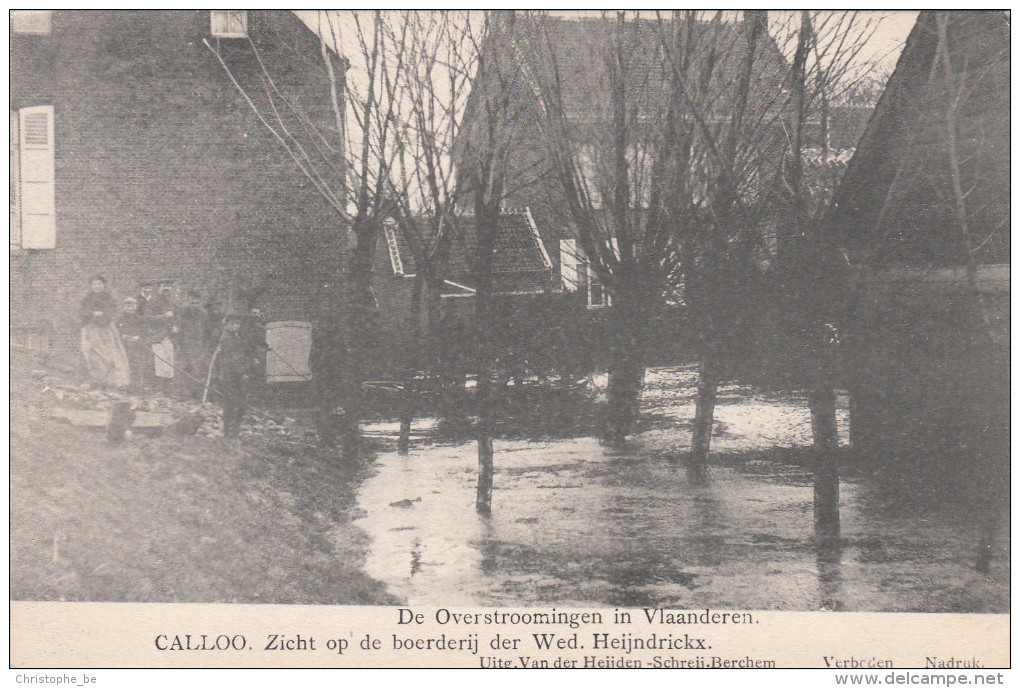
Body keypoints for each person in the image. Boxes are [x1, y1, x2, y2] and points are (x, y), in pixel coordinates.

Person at [214, 311, 260, 438]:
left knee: (233, 404)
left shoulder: (235, 336)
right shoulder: (227, 338)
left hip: (232, 374)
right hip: (231, 375)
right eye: (233, 323)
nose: (236, 326)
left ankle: (231, 432)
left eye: (238, 324)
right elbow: (235, 359)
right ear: (226, 324)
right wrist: (244, 371)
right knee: (234, 404)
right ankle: (230, 433)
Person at [79, 276, 130, 389]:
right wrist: (93, 314)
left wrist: (102, 315)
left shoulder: (108, 298)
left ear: (103, 285)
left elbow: (111, 311)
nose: (97, 286)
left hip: (105, 329)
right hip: (91, 329)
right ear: (92, 286)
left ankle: (111, 382)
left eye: (99, 284)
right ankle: (97, 380)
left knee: (109, 354)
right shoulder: (87, 298)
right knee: (93, 353)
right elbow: (83, 312)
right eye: (95, 284)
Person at [175, 289, 212, 399]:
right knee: (185, 368)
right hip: (185, 345)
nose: (194, 302)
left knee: (198, 369)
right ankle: (184, 393)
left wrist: (205, 346)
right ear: (188, 299)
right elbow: (178, 329)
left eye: (196, 300)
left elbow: (207, 331)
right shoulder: (182, 312)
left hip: (199, 346)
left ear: (199, 301)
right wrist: (178, 344)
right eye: (192, 299)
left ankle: (195, 393)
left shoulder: (203, 313)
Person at [118, 296, 154, 394]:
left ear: (136, 307)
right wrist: (122, 336)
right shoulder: (120, 318)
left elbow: (145, 332)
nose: (129, 308)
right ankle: (124, 387)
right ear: (124, 307)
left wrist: (138, 337)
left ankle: (137, 387)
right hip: (124, 346)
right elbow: (117, 331)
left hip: (137, 346)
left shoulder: (140, 319)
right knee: (124, 365)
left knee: (137, 366)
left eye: (132, 306)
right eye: (127, 306)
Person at [149, 280, 178, 397]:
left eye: (168, 286)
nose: (166, 288)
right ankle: (158, 390)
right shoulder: (153, 301)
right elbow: (148, 318)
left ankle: (168, 391)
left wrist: (176, 325)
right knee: (160, 361)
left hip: (169, 336)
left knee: (169, 360)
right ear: (159, 288)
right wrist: (163, 317)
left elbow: (178, 316)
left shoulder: (173, 301)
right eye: (163, 286)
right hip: (157, 335)